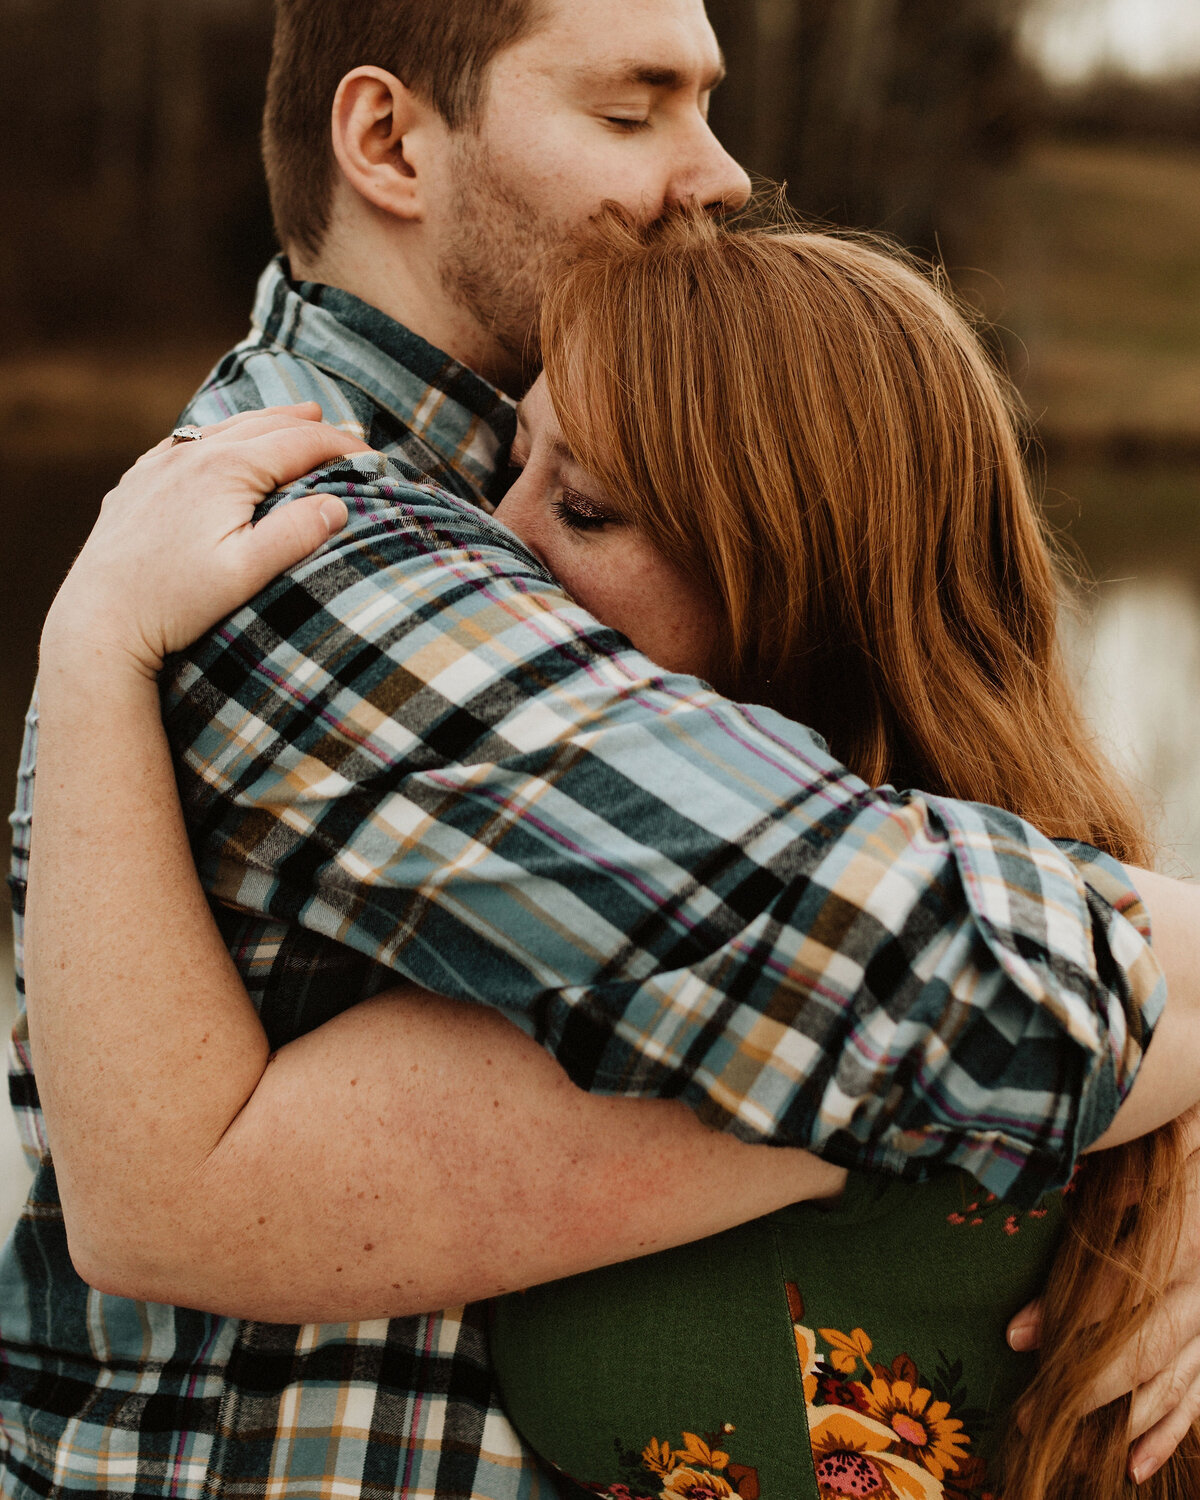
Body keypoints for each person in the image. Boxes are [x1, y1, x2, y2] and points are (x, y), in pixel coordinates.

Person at [5, 0, 1199, 1493]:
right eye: (633, 113)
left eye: (704, 101)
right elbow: (928, 972)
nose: (721, 172)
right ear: (387, 142)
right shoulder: (314, 538)